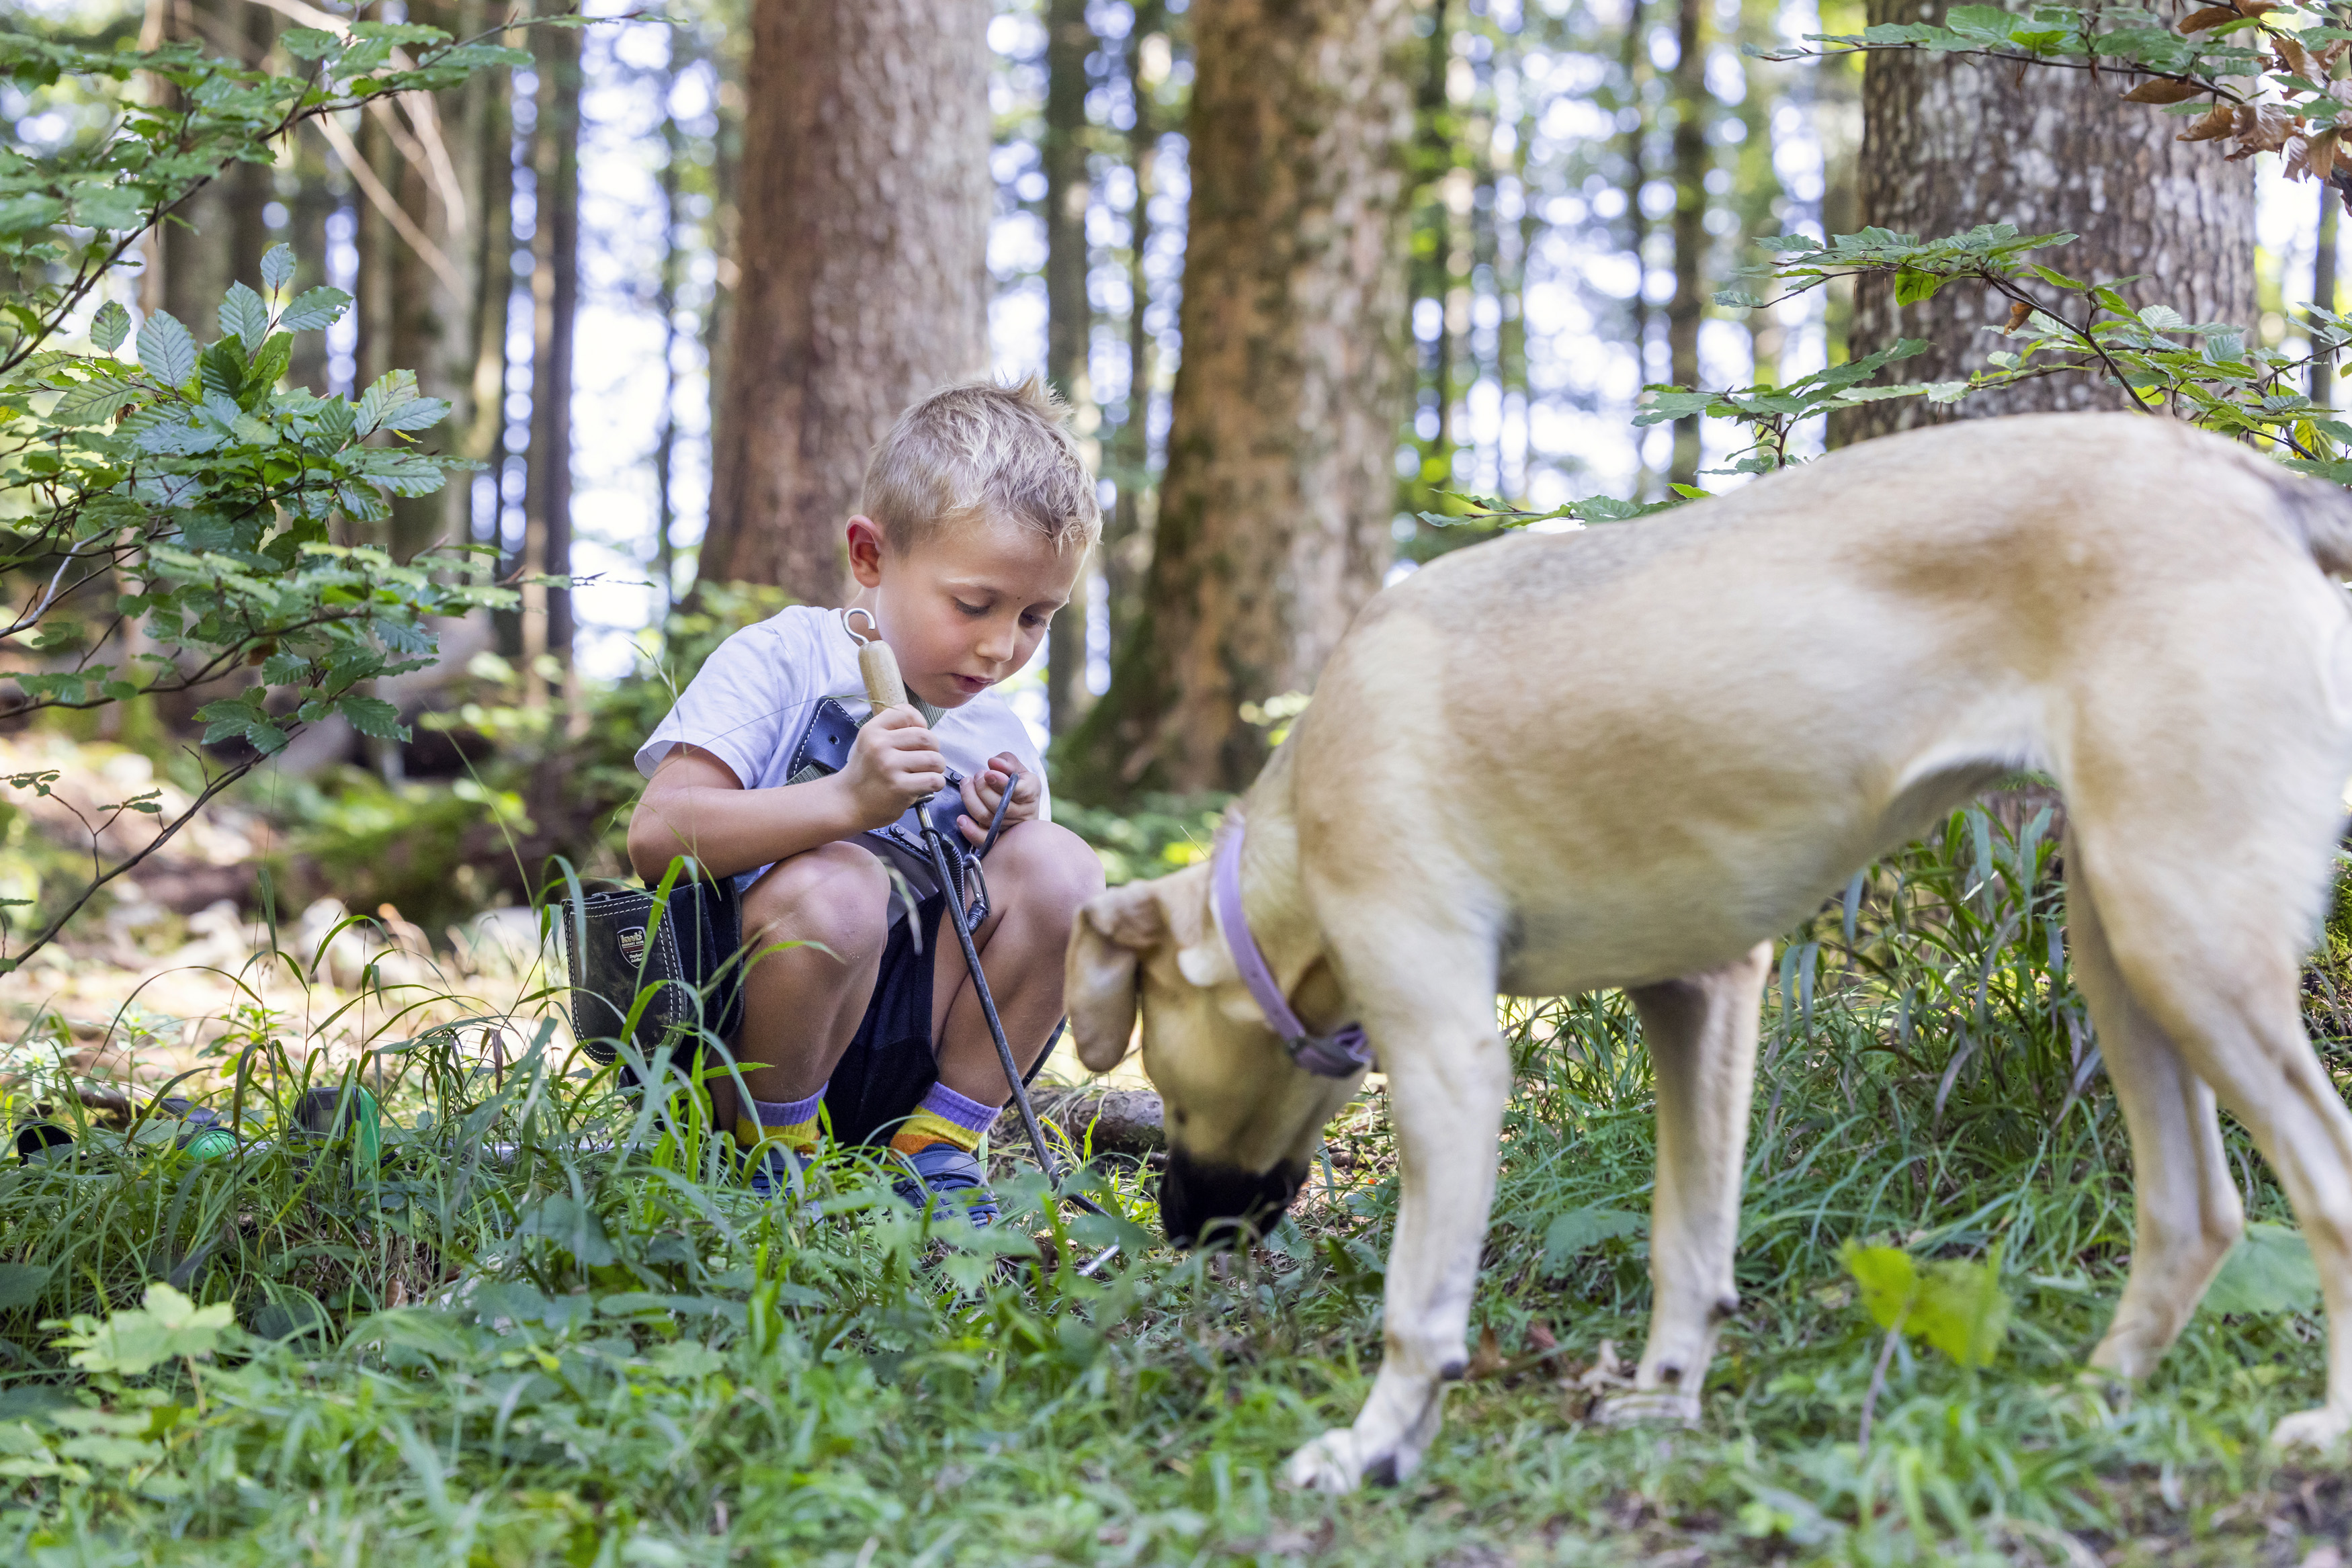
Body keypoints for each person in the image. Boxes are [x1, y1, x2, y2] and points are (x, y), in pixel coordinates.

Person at [626, 377, 1107, 1221]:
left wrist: (1005, 827)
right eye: (974, 604)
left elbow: (1026, 924)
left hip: (901, 1051)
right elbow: (658, 835)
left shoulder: (991, 723)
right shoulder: (782, 657)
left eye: (1037, 617)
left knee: (1065, 868)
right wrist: (847, 802)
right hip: (740, 1050)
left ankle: (938, 1149)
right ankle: (768, 1156)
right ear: (870, 556)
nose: (1001, 647)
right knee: (843, 882)